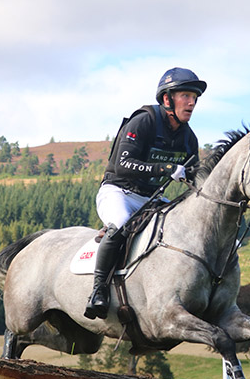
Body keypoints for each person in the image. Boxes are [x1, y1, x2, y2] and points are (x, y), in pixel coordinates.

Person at [84, 67, 207, 320]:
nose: (192, 102)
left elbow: (196, 180)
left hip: (152, 201)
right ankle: (98, 290)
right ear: (167, 99)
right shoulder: (144, 121)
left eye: (194, 97)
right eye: (185, 95)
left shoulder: (188, 139)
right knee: (120, 224)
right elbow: (122, 165)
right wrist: (166, 168)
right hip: (119, 192)